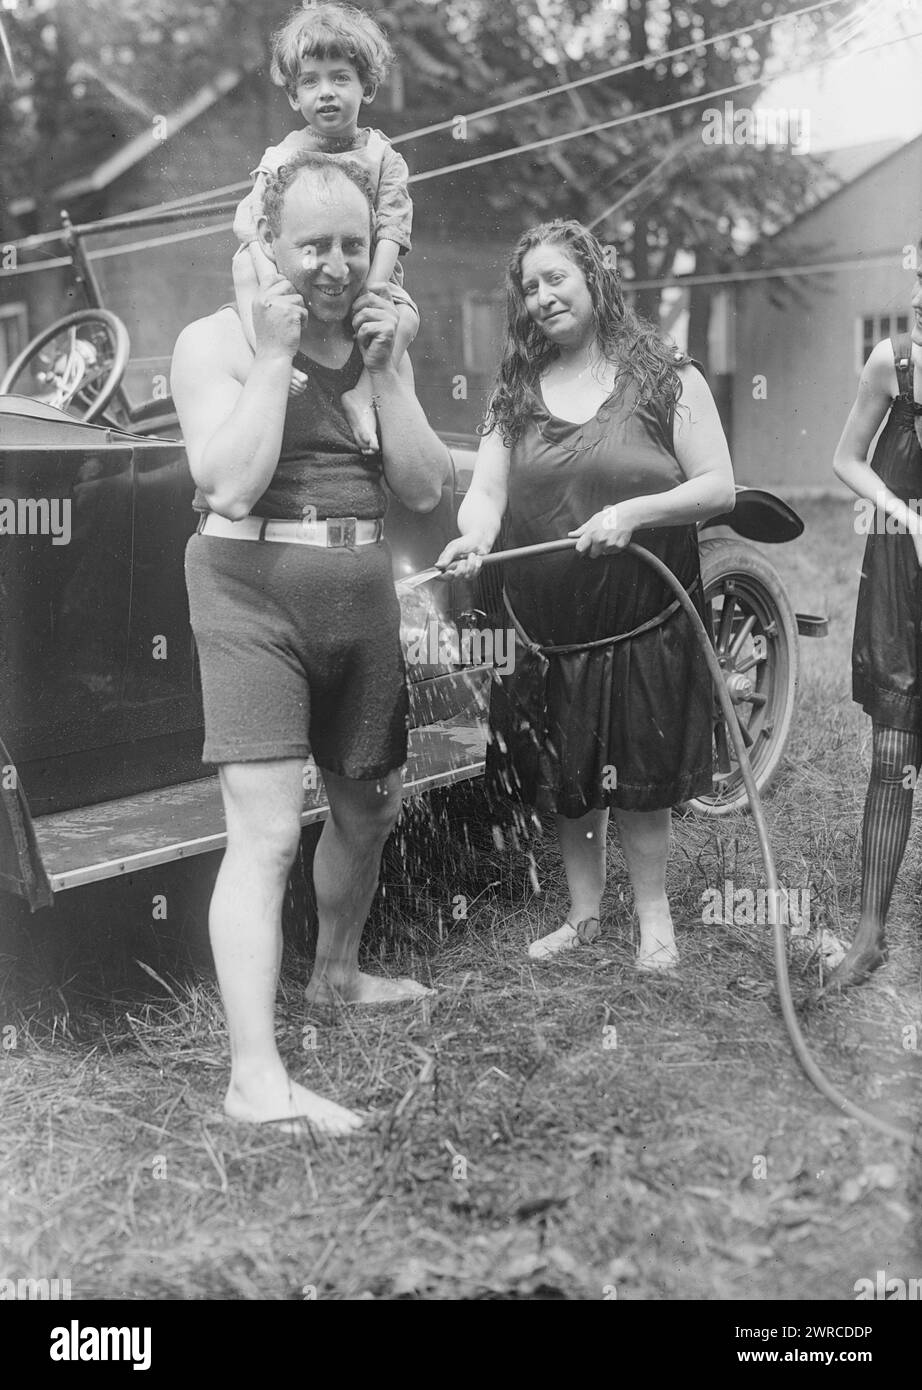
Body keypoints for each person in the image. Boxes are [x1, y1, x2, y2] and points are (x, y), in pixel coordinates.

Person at [171, 152, 449, 1135]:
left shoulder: (381, 341)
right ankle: (254, 1080)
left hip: (359, 588)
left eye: (351, 244)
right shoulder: (215, 342)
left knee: (368, 808)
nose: (333, 266)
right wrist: (280, 356)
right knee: (268, 831)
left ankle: (334, 976)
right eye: (311, 246)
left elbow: (420, 488)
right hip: (251, 590)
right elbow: (232, 482)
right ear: (269, 246)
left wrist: (385, 370)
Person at [438, 220, 735, 970]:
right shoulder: (514, 394)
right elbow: (486, 491)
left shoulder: (668, 374)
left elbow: (718, 487)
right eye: (529, 287)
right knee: (570, 781)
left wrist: (635, 512)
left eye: (555, 279)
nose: (541, 298)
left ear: (595, 278)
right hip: (549, 630)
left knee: (636, 778)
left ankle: (654, 919)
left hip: (643, 620)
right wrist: (474, 535)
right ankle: (584, 915)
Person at [233, 1, 417, 456]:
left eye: (340, 78)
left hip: (362, 273)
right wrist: (271, 277)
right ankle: (266, 354)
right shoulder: (282, 156)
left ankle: (362, 390)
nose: (326, 92)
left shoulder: (381, 156)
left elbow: (393, 226)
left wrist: (373, 290)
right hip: (299, 273)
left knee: (404, 317)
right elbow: (251, 223)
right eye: (310, 82)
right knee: (241, 265)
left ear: (366, 88)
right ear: (295, 97)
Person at [823, 244, 922, 991]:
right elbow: (847, 457)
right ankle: (869, 932)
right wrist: (896, 511)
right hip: (902, 571)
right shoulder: (895, 363)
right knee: (893, 751)